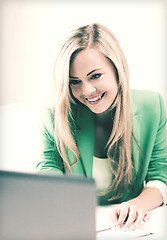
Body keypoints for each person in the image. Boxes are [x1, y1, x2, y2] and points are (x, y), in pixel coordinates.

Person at [36, 23, 167, 231]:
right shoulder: (54, 114)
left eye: (95, 76)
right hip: (75, 224)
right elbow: (47, 169)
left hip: (127, 229)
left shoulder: (153, 106)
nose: (87, 90)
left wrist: (135, 206)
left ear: (117, 69)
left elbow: (160, 177)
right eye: (74, 82)